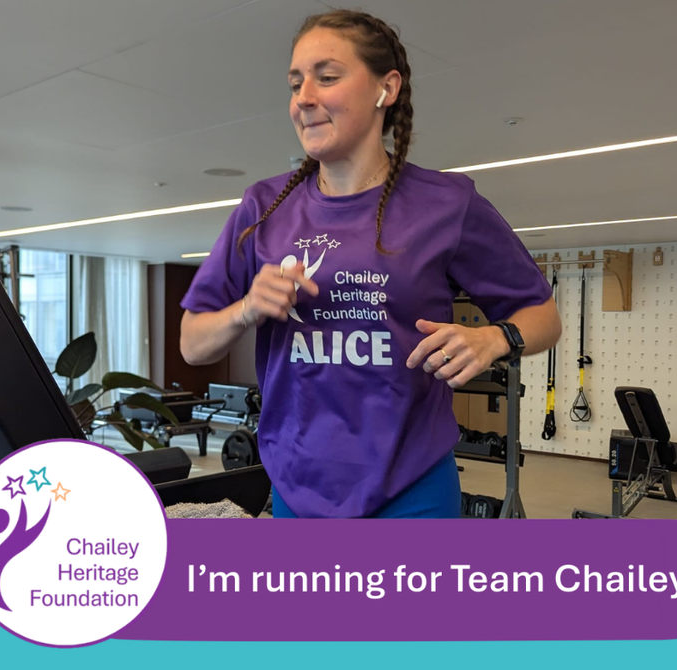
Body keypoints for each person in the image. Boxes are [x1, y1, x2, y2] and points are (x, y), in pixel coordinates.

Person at [180, 9, 561, 518]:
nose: (304, 98)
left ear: (387, 88)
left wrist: (494, 338)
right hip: (298, 486)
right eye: (296, 83)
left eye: (327, 77)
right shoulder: (263, 208)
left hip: (412, 488)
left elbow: (543, 316)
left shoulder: (447, 203)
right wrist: (246, 308)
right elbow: (192, 341)